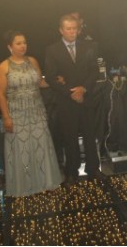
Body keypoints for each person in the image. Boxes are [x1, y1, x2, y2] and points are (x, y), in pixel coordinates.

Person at [0, 30, 63, 196]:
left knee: (41, 146)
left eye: (24, 42)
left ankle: (45, 182)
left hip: (36, 111)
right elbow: (0, 94)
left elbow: (40, 83)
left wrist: (55, 81)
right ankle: (25, 186)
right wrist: (6, 117)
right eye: (18, 43)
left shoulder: (32, 61)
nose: (23, 46)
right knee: (21, 149)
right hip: (17, 114)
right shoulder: (3, 67)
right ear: (10, 46)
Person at [44, 14, 104, 185]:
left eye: (74, 28)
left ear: (78, 30)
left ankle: (93, 169)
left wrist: (83, 89)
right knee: (69, 137)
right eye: (68, 28)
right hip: (66, 100)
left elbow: (95, 71)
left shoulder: (89, 46)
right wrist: (70, 92)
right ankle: (71, 172)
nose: (72, 32)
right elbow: (50, 76)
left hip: (86, 97)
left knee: (90, 135)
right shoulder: (52, 50)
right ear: (61, 30)